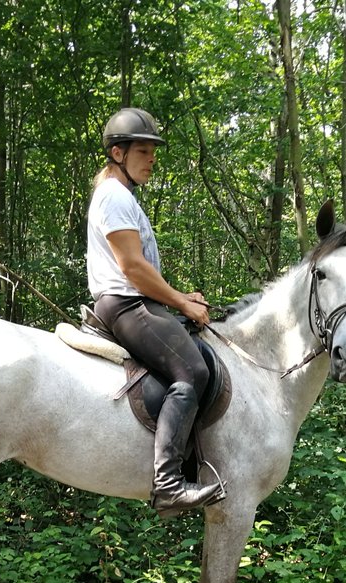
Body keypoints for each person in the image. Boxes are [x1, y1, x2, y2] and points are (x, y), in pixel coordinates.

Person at [87, 107, 224, 514]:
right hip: (126, 305)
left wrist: (183, 297)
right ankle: (168, 484)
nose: (152, 160)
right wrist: (181, 301)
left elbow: (141, 269)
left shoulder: (122, 196)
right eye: (144, 152)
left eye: (152, 153)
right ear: (117, 153)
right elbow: (132, 267)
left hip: (137, 301)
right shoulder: (113, 196)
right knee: (194, 370)